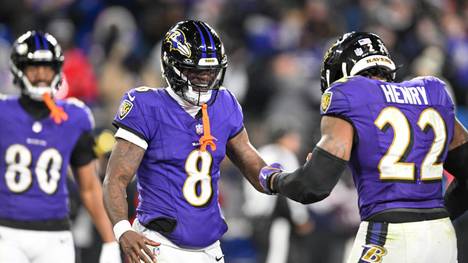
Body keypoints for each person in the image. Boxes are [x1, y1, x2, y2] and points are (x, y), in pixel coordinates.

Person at [259, 31, 468, 262]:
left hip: (389, 233)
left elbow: (314, 185)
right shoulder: (433, 92)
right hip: (441, 238)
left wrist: (274, 179)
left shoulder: (349, 94)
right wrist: (438, 216)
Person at [103, 20, 270, 263]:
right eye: (195, 71)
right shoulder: (147, 105)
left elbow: (252, 163)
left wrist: (283, 180)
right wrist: (122, 229)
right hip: (160, 242)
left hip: (210, 248)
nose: (204, 79)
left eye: (209, 72)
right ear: (173, 67)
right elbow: (115, 178)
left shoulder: (224, 103)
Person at [0, 31, 121, 263]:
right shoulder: (3, 112)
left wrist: (109, 240)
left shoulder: (74, 117)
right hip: (6, 230)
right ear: (19, 69)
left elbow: (89, 187)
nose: (42, 75)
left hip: (55, 235)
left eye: (47, 67)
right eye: (33, 67)